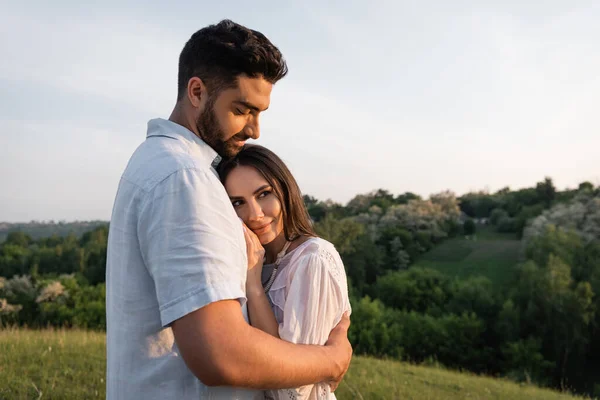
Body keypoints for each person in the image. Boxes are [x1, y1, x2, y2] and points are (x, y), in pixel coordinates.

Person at [105, 19, 352, 400]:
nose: (255, 130)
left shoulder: (158, 162)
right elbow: (219, 355)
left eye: (260, 113)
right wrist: (330, 361)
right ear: (197, 91)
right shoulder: (184, 177)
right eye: (242, 109)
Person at [219, 144, 352, 400]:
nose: (255, 215)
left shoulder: (313, 260)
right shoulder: (243, 260)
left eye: (263, 194)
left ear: (284, 190)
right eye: (238, 202)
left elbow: (291, 390)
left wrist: (254, 288)